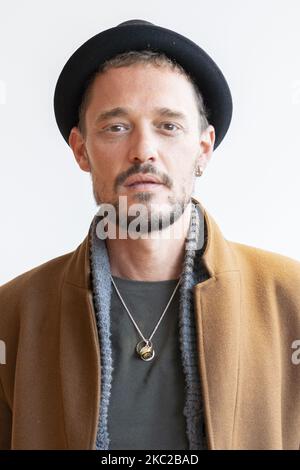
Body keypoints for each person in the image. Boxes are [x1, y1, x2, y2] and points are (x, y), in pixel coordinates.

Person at [0, 19, 300, 451]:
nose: (143, 149)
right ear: (81, 150)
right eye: (116, 127)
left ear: (203, 148)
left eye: (168, 125)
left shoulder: (288, 301)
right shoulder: (14, 316)